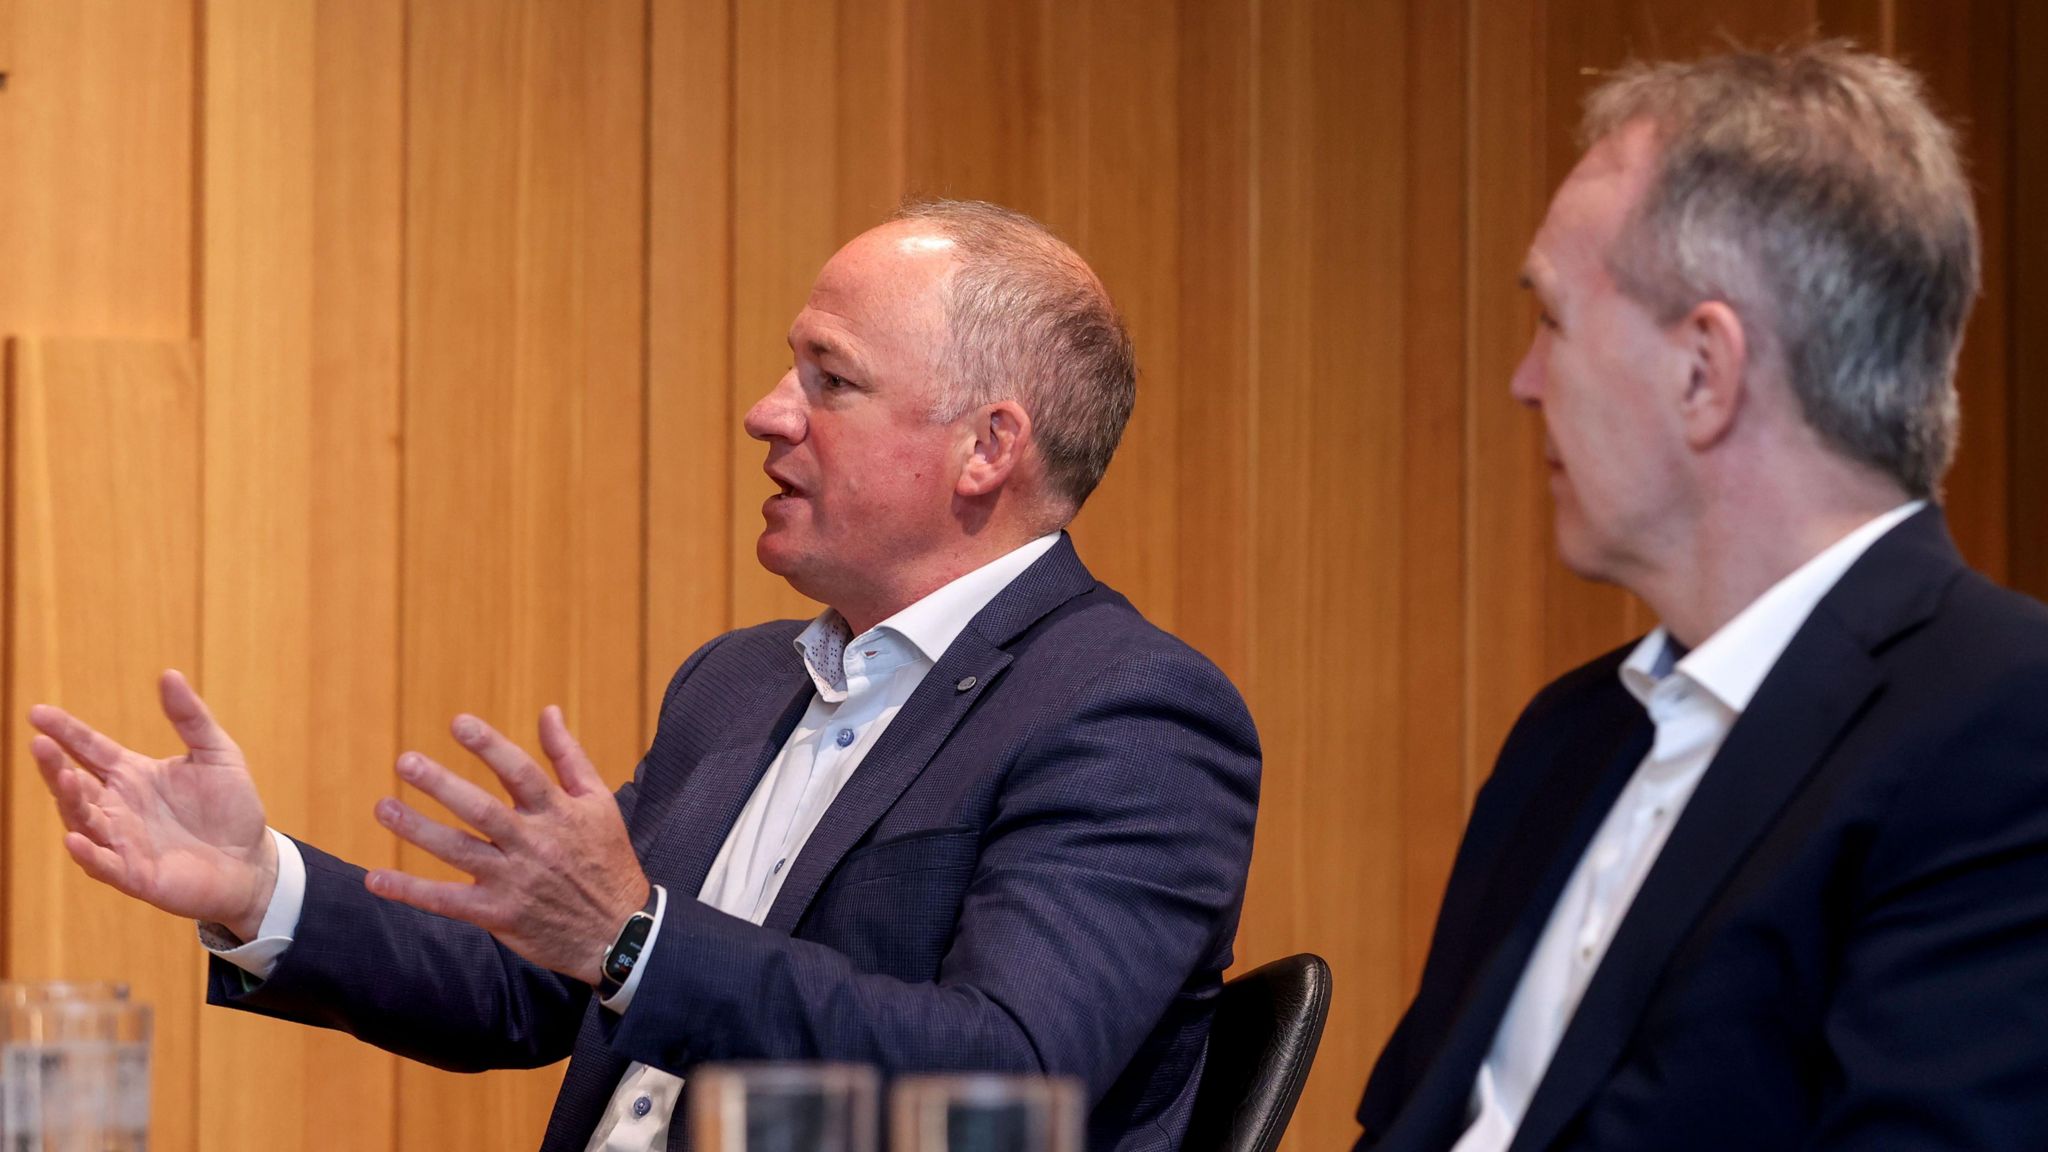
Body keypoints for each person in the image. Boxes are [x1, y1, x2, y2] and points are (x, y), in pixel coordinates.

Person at [28, 200, 1261, 1151]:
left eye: (828, 380)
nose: (765, 413)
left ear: (986, 448)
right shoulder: (736, 684)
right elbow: (531, 979)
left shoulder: (1125, 711)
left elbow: (1004, 1079)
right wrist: (258, 887)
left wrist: (633, 943)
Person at [1356, 42, 2048, 1151]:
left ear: (1702, 372)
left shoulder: (2007, 728)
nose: (1520, 382)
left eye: (1552, 320)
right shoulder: (1567, 739)